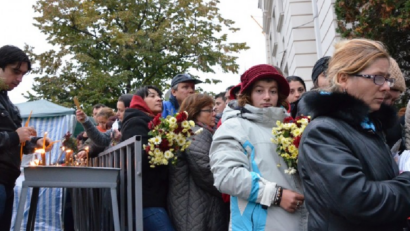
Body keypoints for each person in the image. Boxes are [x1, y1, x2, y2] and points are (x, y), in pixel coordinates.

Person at [298, 39, 410, 231]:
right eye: (377, 78)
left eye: (387, 78)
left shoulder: (369, 127)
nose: (385, 87)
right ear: (343, 79)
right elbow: (358, 201)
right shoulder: (323, 132)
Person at [210, 64, 307, 231]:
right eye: (259, 91)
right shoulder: (234, 126)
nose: (267, 97)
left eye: (273, 91)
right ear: (248, 95)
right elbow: (226, 176)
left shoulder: (288, 126)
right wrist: (276, 195)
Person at [0, 45, 53, 230]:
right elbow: (11, 138)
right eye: (16, 71)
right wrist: (15, 136)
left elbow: (13, 139)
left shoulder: (6, 101)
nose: (19, 79)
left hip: (7, 179)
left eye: (23, 74)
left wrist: (34, 142)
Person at [168, 93, 229, 231]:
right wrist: (232, 188)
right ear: (195, 113)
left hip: (196, 206)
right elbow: (205, 171)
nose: (214, 114)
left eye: (214, 109)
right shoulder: (196, 133)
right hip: (196, 208)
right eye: (209, 110)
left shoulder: (193, 132)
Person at [121, 85, 175, 231]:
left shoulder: (153, 121)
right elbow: (138, 160)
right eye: (151, 96)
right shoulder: (136, 122)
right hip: (144, 199)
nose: (158, 99)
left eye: (159, 96)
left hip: (152, 196)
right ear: (140, 100)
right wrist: (163, 145)